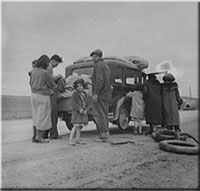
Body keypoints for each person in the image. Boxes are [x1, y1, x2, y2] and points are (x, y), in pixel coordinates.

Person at [29, 55, 54, 143]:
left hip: (33, 94)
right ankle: (39, 137)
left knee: (36, 115)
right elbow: (51, 85)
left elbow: (30, 82)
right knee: (42, 116)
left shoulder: (33, 71)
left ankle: (35, 136)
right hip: (43, 95)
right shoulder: (45, 73)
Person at [90, 49, 112, 142]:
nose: (92, 59)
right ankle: (105, 132)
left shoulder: (98, 65)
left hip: (101, 94)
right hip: (106, 93)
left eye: (93, 57)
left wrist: (96, 93)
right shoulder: (106, 65)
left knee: (99, 114)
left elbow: (99, 80)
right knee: (104, 113)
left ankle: (102, 134)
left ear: (96, 56)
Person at [43, 55, 63, 139]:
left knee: (47, 114)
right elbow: (50, 80)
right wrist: (58, 77)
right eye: (57, 64)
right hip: (51, 93)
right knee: (53, 114)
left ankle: (44, 134)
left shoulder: (44, 67)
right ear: (53, 61)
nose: (56, 66)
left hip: (44, 93)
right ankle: (54, 135)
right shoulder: (49, 67)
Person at [69, 79, 89, 146]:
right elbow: (73, 103)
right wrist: (79, 109)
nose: (80, 87)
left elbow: (88, 103)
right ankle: (70, 139)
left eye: (81, 86)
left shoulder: (85, 94)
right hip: (77, 113)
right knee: (75, 126)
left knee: (80, 126)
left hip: (83, 113)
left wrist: (86, 109)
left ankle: (78, 139)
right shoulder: (75, 94)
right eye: (78, 86)